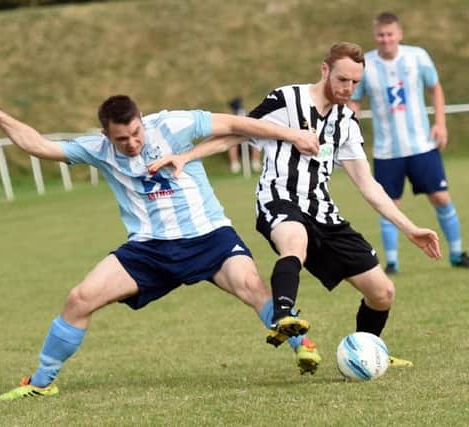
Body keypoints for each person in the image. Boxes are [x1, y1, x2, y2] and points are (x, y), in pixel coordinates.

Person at [0, 93, 321, 400]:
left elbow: (236, 124)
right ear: (107, 135)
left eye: (135, 133)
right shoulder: (97, 149)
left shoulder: (172, 125)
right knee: (79, 299)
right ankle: (41, 383)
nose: (132, 143)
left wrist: (292, 135)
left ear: (140, 121)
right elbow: (38, 145)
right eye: (122, 139)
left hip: (209, 235)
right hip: (149, 249)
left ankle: (301, 347)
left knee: (253, 287)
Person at [148, 42, 442, 373]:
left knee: (383, 292)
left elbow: (368, 185)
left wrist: (410, 228)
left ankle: (366, 350)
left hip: (323, 213)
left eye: (356, 83)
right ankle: (284, 314)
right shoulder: (286, 100)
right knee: (295, 240)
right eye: (343, 79)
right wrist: (186, 156)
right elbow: (237, 131)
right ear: (325, 70)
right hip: (279, 199)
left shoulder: (346, 120)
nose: (349, 88)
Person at [349, 12, 469, 274]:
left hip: (421, 146)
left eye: (390, 34)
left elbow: (435, 88)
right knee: (388, 205)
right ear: (375, 36)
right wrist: (349, 127)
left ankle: (458, 253)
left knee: (440, 196)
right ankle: (391, 262)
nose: (386, 39)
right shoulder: (366, 65)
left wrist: (440, 123)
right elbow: (354, 101)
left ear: (399, 34)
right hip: (386, 150)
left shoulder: (418, 57)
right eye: (381, 35)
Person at [227, 97, 262, 174]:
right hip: (237, 144)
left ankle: (255, 163)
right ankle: (235, 165)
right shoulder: (231, 118)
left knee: (256, 140)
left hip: (249, 142)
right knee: (232, 144)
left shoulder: (247, 115)